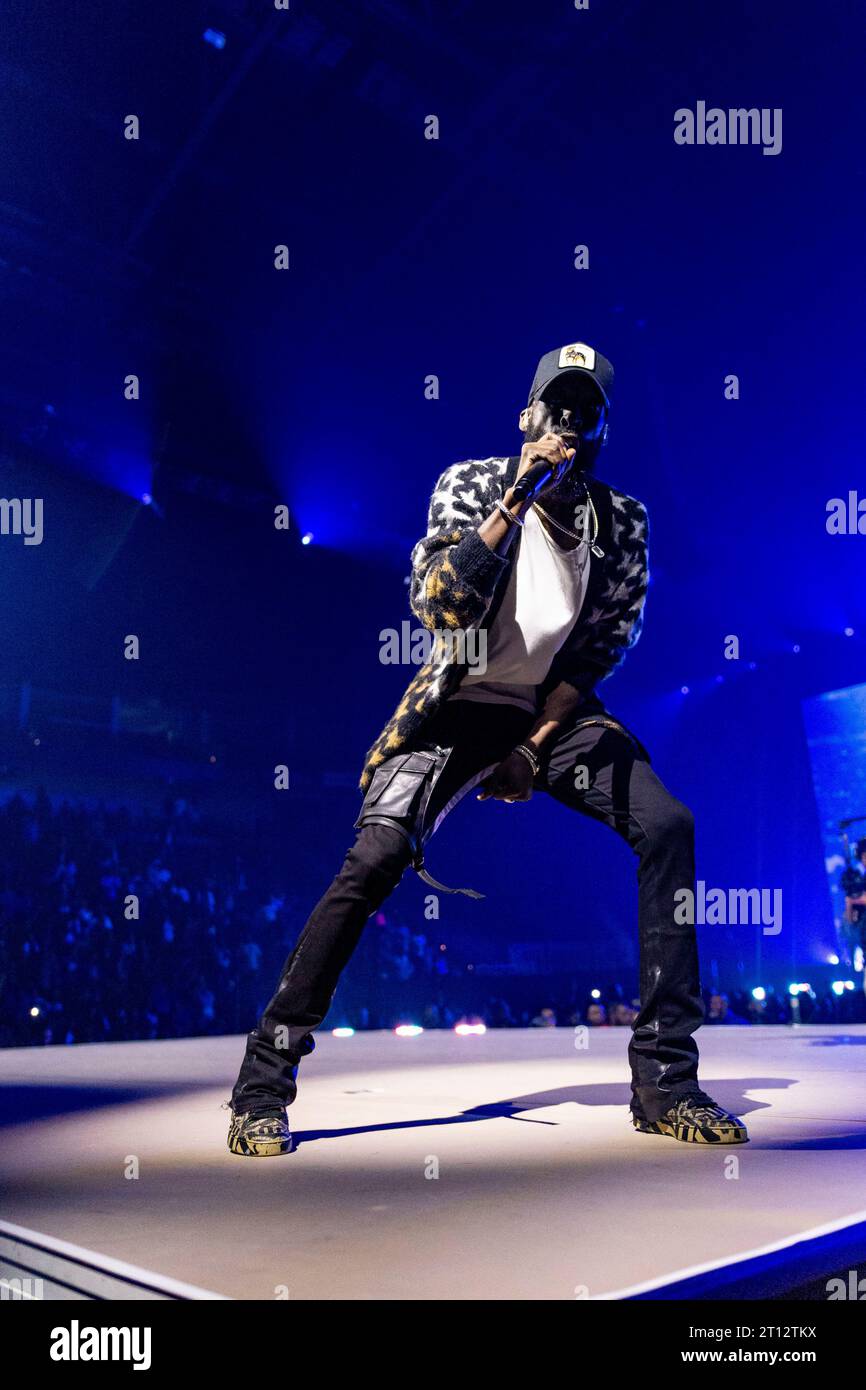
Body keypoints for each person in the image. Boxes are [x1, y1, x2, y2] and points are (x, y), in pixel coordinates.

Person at [227, 339, 748, 1156]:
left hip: (549, 711)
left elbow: (598, 652)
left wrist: (535, 750)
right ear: (526, 414)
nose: (567, 423)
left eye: (585, 412)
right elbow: (437, 609)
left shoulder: (623, 523)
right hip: (458, 699)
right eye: (555, 406)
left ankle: (665, 1083)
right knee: (375, 858)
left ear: (603, 430)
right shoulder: (469, 484)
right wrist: (513, 501)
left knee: (668, 826)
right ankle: (262, 1086)